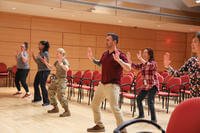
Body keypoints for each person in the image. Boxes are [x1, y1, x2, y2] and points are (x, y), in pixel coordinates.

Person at [87, 33, 131, 133]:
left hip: (112, 85)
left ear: (114, 42)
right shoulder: (105, 53)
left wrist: (119, 60)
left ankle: (123, 130)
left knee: (115, 108)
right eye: (106, 39)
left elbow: (128, 68)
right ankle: (99, 125)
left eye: (108, 40)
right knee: (94, 104)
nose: (106, 41)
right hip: (102, 85)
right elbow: (100, 63)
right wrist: (92, 59)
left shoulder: (120, 54)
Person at [127, 48, 159, 123]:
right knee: (138, 99)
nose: (144, 54)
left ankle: (154, 119)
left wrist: (140, 58)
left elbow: (149, 66)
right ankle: (141, 115)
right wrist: (129, 60)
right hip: (146, 85)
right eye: (143, 52)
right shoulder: (143, 64)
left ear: (149, 54)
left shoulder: (153, 63)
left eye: (145, 52)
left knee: (150, 101)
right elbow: (136, 66)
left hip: (153, 85)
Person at [164, 31, 200, 97]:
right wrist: (167, 66)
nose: (192, 44)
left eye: (195, 41)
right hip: (194, 100)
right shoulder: (191, 61)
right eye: (192, 42)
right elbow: (176, 74)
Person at [42, 48, 71, 117]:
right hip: (57, 79)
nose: (56, 54)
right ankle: (55, 108)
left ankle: (67, 111)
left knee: (60, 95)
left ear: (62, 54)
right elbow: (51, 68)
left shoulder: (64, 61)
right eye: (57, 53)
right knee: (50, 91)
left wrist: (61, 64)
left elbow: (67, 69)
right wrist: (45, 62)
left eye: (58, 53)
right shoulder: (57, 61)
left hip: (62, 80)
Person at [31, 40, 50, 106]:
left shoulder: (46, 53)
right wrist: (33, 56)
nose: (38, 46)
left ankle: (47, 101)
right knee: (35, 84)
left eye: (40, 45)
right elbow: (37, 62)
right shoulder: (40, 53)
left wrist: (43, 60)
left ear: (43, 46)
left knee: (42, 85)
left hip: (45, 70)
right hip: (40, 70)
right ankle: (38, 98)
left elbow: (46, 62)